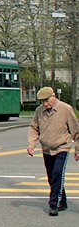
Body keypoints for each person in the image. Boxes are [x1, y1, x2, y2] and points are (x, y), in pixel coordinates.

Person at [27, 86, 79, 216]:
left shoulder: (66, 109)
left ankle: (54, 204)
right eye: (42, 101)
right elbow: (34, 127)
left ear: (53, 97)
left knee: (57, 173)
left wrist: (77, 149)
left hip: (62, 147)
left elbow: (76, 131)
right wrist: (32, 144)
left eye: (47, 100)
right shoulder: (39, 111)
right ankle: (63, 201)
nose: (45, 104)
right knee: (52, 177)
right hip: (46, 149)